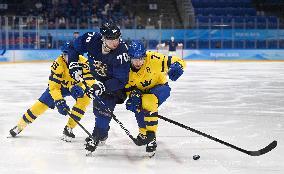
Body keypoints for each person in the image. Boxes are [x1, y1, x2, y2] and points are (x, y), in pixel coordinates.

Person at [9, 42, 93, 142]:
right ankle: (20, 125)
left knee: (85, 99)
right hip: (59, 87)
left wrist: (83, 88)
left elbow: (90, 81)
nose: (68, 57)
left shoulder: (84, 62)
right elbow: (54, 87)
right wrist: (59, 101)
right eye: (65, 54)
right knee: (42, 104)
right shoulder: (58, 64)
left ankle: (69, 127)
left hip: (75, 86)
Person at [67, 21, 130, 154]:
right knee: (97, 109)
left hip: (115, 85)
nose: (115, 42)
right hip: (99, 80)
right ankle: (102, 134)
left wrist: (103, 86)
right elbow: (72, 47)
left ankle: (97, 135)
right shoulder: (91, 39)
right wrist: (73, 64)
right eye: (111, 39)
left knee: (104, 111)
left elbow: (121, 80)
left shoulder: (122, 52)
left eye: (117, 38)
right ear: (102, 38)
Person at [125, 40, 185, 157]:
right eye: (135, 59)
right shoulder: (124, 69)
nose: (139, 62)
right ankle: (143, 133)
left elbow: (178, 60)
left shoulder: (153, 58)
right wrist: (132, 96)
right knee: (138, 107)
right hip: (141, 91)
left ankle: (151, 136)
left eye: (141, 58)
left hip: (160, 88)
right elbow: (127, 87)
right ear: (129, 58)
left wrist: (177, 66)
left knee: (148, 100)